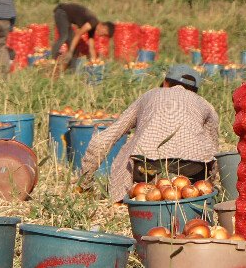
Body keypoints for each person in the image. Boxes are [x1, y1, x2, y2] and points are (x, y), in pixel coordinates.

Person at [78, 65, 219, 203]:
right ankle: (180, 187)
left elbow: (105, 139)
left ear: (165, 82)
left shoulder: (149, 95)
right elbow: (214, 150)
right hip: (192, 169)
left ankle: (142, 189)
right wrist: (213, 185)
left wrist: (84, 183)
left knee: (130, 153)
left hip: (147, 166)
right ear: (195, 90)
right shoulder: (205, 104)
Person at [50, 2, 114, 67]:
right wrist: (70, 52)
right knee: (64, 36)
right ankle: (51, 59)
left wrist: (94, 61)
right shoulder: (93, 22)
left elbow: (91, 47)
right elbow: (78, 34)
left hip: (67, 19)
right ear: (104, 27)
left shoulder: (93, 28)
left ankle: (71, 71)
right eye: (104, 34)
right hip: (61, 12)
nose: (102, 36)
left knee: (74, 45)